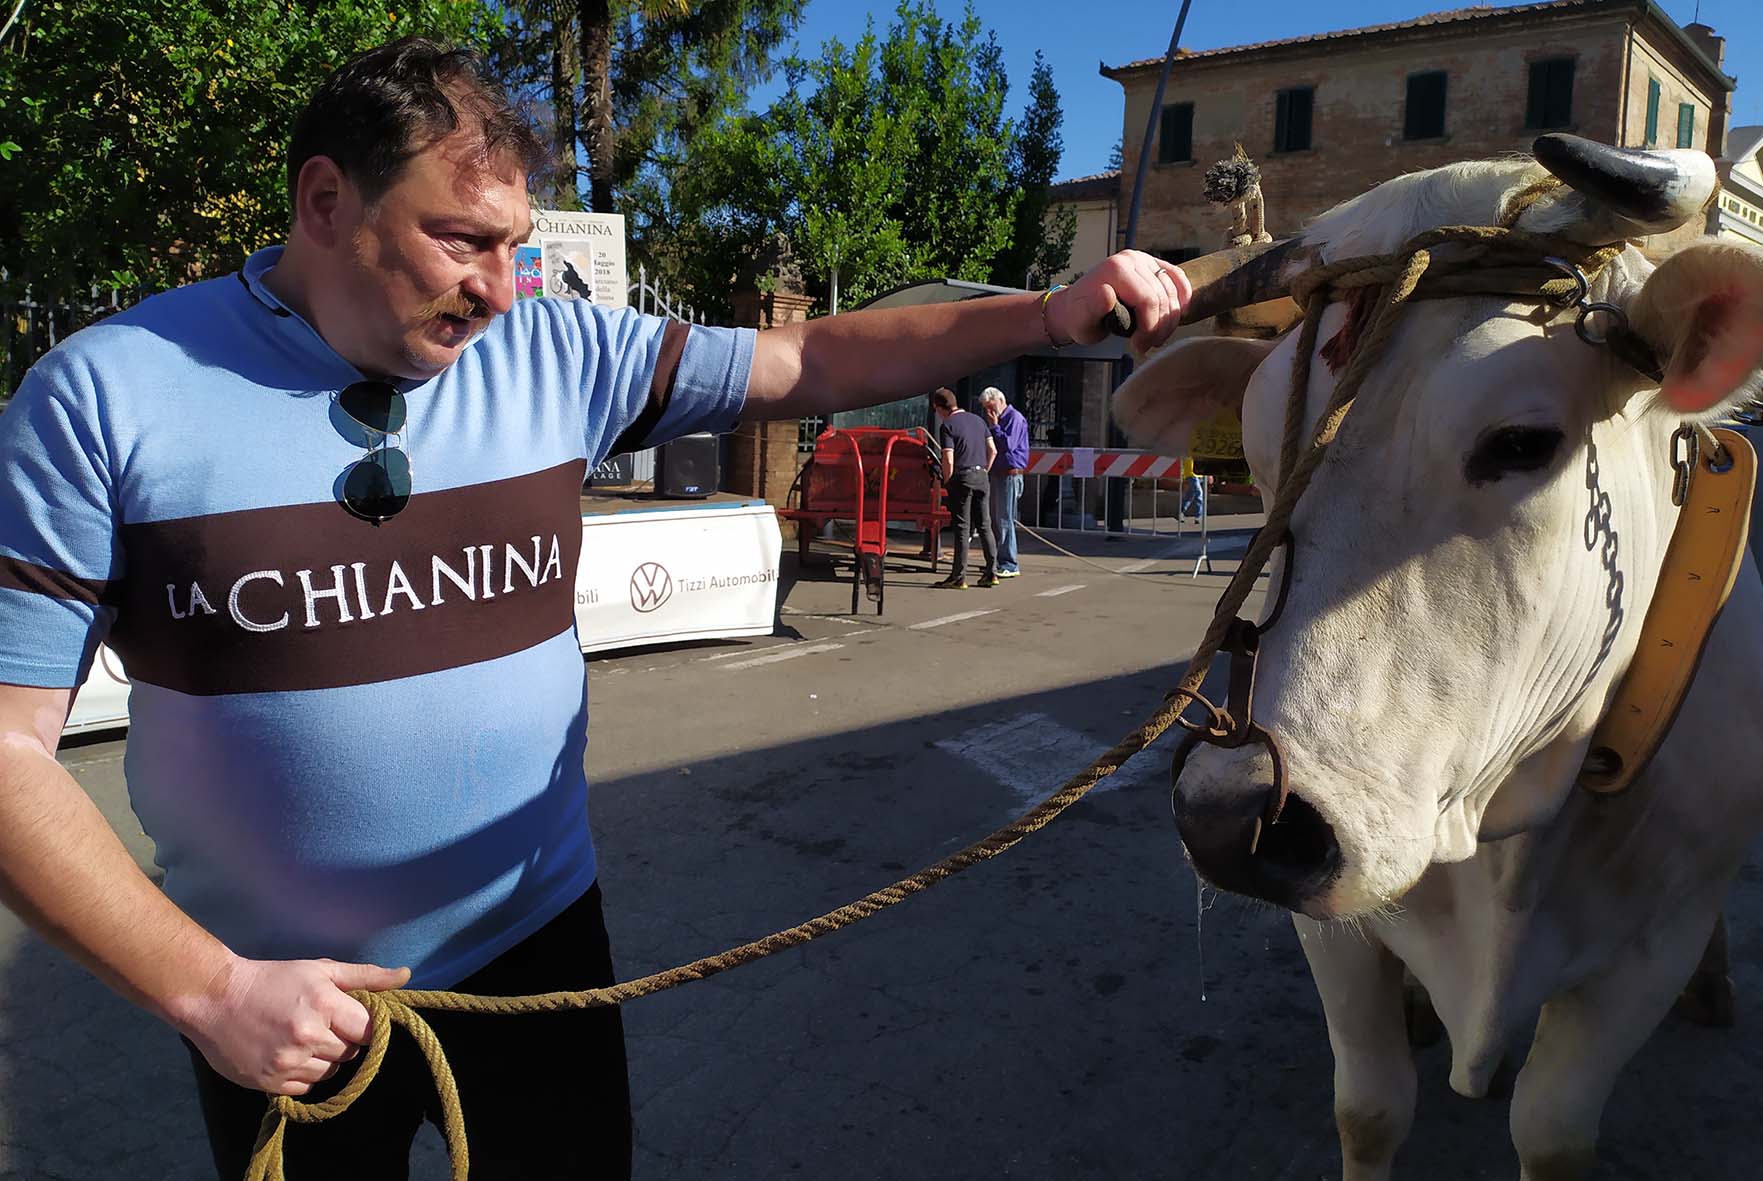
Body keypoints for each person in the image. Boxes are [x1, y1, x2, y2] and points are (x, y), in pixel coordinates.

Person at [0, 38, 1191, 1181]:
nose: (500, 290)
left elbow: (808, 362)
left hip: (539, 953)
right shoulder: (106, 397)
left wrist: (1043, 313)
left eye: (515, 246)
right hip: (274, 998)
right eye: (462, 240)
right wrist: (206, 991)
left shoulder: (555, 351)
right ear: (324, 201)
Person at [929, 388, 998, 588]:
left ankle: (958, 576)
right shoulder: (978, 420)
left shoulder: (948, 425)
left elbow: (948, 459)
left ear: (940, 408)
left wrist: (948, 481)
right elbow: (993, 450)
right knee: (985, 525)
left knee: (962, 527)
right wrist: (985, 469)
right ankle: (991, 572)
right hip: (982, 477)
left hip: (962, 477)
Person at [980, 386, 1028, 577]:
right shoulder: (1000, 419)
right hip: (998, 473)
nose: (989, 412)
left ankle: (1009, 563)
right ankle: (1000, 559)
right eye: (986, 409)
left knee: (1004, 519)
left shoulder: (1014, 418)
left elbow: (1008, 445)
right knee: (996, 518)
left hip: (1009, 474)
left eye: (991, 407)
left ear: (1000, 400)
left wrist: (994, 426)